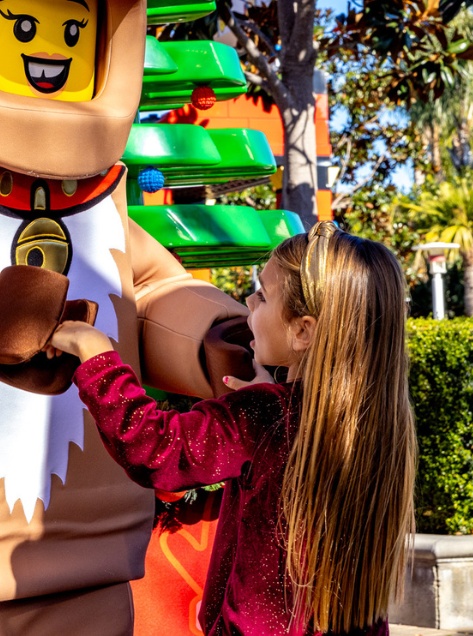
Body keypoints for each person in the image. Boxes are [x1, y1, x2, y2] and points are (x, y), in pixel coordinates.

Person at [49, 222, 416, 636]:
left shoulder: (262, 416)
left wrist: (95, 355)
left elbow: (155, 448)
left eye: (262, 295)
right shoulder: (375, 424)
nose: (247, 300)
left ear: (303, 331)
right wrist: (272, 392)